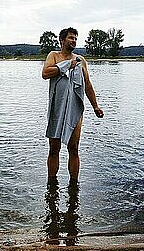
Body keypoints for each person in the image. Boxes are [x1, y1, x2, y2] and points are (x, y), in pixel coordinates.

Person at [41, 27, 104, 184]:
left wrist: (95, 106)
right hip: (57, 109)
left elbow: (88, 85)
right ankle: (51, 183)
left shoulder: (81, 60)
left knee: (74, 148)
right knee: (54, 149)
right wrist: (67, 65)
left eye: (76, 38)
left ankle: (74, 185)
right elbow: (45, 73)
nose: (74, 40)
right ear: (62, 40)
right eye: (71, 37)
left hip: (75, 110)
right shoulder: (54, 56)